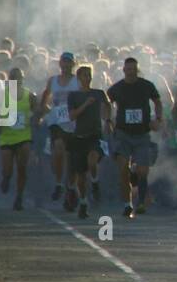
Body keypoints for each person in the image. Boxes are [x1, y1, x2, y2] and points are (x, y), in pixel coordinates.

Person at [107, 57, 164, 219]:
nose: (131, 72)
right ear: (124, 70)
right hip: (123, 133)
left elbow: (157, 102)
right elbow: (107, 103)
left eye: (134, 69)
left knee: (142, 170)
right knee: (123, 168)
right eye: (128, 69)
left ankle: (140, 202)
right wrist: (108, 120)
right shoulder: (116, 88)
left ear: (137, 70)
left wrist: (158, 119)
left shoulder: (146, 86)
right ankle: (127, 204)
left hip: (142, 133)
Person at [66, 65, 109, 220]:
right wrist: (86, 104)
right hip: (79, 136)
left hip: (95, 135)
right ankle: (83, 202)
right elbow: (72, 116)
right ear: (79, 79)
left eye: (89, 75)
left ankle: (96, 182)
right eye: (84, 75)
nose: (87, 78)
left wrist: (108, 119)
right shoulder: (74, 96)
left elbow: (107, 107)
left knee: (92, 159)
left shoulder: (98, 93)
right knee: (81, 175)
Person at [39, 52, 82, 207]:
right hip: (57, 121)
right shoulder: (53, 81)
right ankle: (59, 183)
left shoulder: (78, 82)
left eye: (69, 62)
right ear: (60, 64)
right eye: (63, 62)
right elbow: (45, 96)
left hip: (74, 122)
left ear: (73, 64)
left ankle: (71, 187)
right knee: (58, 148)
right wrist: (45, 110)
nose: (65, 65)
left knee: (73, 158)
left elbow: (83, 97)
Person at [0, 66, 35, 210]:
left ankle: (19, 197)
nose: (16, 80)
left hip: (24, 136)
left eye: (18, 78)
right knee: (7, 169)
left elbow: (37, 112)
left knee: (22, 168)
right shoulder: (1, 95)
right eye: (13, 78)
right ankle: (6, 178)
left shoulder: (29, 95)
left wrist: (36, 120)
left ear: (22, 80)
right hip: (7, 136)